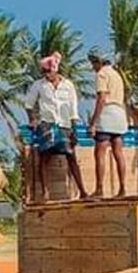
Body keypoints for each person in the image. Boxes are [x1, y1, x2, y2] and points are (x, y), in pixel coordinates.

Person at [24, 52, 89, 201]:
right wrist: (33, 120)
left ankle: (82, 191)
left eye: (49, 71)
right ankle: (45, 193)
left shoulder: (68, 85)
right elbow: (28, 104)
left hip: (65, 125)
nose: (47, 74)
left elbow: (73, 108)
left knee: (71, 156)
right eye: (45, 72)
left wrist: (74, 129)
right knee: (44, 157)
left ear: (56, 69)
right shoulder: (39, 85)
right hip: (47, 124)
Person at [88, 48, 129, 198]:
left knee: (100, 153)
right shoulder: (117, 75)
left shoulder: (102, 74)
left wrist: (93, 122)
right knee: (119, 153)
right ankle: (123, 188)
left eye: (93, 63)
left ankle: (99, 189)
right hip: (120, 115)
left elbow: (102, 99)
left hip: (107, 115)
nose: (93, 67)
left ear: (98, 61)